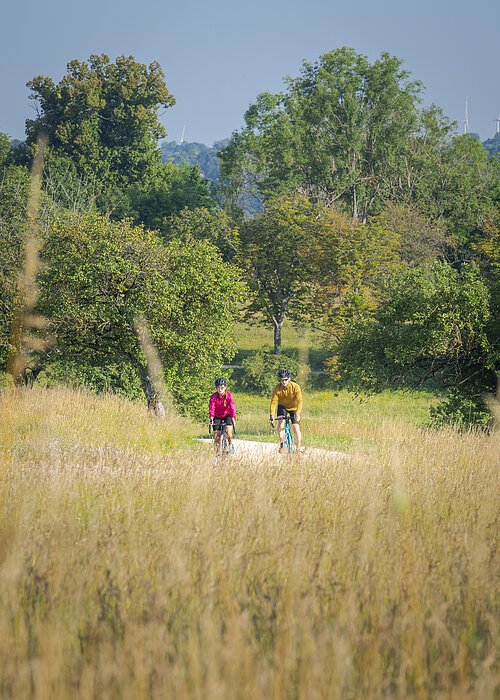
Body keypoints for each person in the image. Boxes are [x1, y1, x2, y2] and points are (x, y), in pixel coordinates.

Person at [269, 368, 303, 453]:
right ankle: (282, 443)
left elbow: (299, 401)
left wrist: (298, 414)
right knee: (280, 423)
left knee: (296, 428)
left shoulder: (295, 387)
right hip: (282, 406)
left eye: (285, 380)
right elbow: (273, 402)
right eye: (281, 380)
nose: (284, 382)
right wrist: (271, 415)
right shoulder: (277, 388)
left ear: (289, 379)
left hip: (294, 407)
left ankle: (298, 449)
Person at [209, 378, 236, 453]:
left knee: (228, 432)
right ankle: (217, 452)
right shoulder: (214, 397)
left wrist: (233, 417)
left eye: (222, 387)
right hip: (217, 416)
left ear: (225, 387)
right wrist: (211, 417)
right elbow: (212, 407)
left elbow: (232, 406)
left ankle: (230, 444)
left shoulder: (229, 396)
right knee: (216, 436)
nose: (220, 389)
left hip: (227, 414)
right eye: (218, 387)